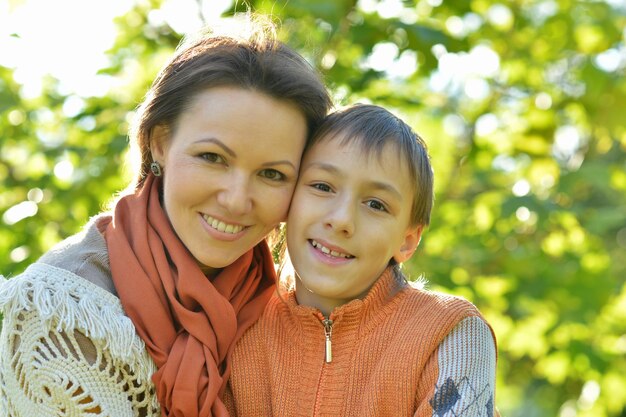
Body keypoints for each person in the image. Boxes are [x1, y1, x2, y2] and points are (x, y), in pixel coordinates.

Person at [0, 15, 331, 417]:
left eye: (272, 174)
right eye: (212, 158)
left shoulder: (281, 302)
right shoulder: (61, 311)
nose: (236, 199)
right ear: (160, 144)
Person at [225, 104, 499, 416]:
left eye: (375, 204)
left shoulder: (451, 332)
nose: (342, 220)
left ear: (407, 240)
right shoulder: (237, 313)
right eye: (322, 186)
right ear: (288, 198)